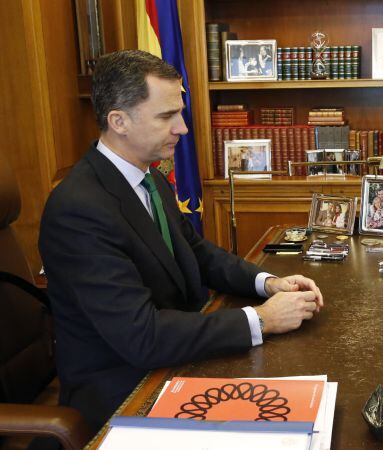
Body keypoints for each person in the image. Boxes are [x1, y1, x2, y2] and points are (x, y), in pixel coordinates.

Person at [38, 50, 324, 433]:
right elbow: (141, 336)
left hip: (176, 359)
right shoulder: (78, 209)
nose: (183, 128)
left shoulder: (150, 178)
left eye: (180, 112)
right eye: (166, 116)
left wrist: (267, 283)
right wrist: (262, 319)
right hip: (124, 389)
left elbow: (197, 252)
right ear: (118, 121)